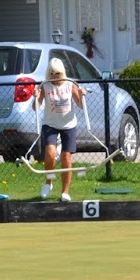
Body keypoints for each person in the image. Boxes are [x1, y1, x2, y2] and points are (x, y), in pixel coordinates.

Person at [33, 57, 86, 201]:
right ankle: (48, 182)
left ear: (62, 73)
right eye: (52, 75)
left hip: (68, 125)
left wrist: (82, 96)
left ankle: (65, 192)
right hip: (50, 124)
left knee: (66, 158)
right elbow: (36, 107)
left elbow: (80, 105)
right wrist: (36, 97)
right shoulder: (45, 85)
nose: (55, 79)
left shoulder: (70, 85)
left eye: (58, 75)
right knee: (50, 153)